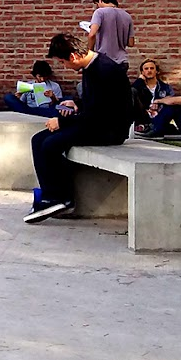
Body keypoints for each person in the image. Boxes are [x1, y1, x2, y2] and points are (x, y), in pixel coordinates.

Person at [24, 33, 133, 223]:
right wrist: (76, 104)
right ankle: (51, 196)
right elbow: (97, 104)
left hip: (110, 130)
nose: (65, 66)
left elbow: (100, 114)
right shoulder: (91, 67)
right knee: (38, 139)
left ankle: (60, 198)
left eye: (63, 62)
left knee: (51, 144)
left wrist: (62, 122)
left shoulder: (104, 70)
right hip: (97, 122)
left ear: (73, 56)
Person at [86, 0, 133, 79]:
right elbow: (130, 43)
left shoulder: (99, 12)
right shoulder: (127, 16)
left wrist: (89, 52)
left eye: (97, 3)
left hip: (104, 61)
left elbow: (92, 34)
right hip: (122, 62)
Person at [130, 59, 172, 130]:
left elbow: (171, 102)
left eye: (152, 68)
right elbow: (130, 97)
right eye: (146, 69)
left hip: (159, 117)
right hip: (143, 117)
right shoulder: (138, 86)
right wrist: (139, 80)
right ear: (142, 72)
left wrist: (159, 103)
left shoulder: (165, 87)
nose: (149, 71)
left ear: (157, 71)